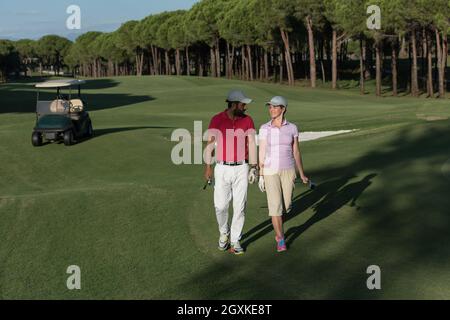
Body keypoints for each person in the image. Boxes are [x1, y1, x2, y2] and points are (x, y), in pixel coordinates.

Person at [204, 90, 258, 255]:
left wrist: (254, 167)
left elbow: (252, 143)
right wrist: (208, 167)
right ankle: (224, 233)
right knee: (220, 206)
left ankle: (235, 240)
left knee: (239, 207)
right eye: (243, 104)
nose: (245, 106)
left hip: (241, 168)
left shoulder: (248, 120)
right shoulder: (217, 119)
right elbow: (210, 145)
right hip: (222, 168)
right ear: (234, 104)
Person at [258, 96, 309, 252]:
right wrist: (261, 174)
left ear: (283, 109)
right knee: (276, 207)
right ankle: (280, 238)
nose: (271, 109)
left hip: (288, 170)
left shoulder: (292, 128)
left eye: (275, 107)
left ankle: (280, 231)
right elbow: (262, 151)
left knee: (286, 206)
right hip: (270, 170)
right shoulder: (264, 128)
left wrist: (301, 173)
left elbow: (296, 151)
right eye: (270, 107)